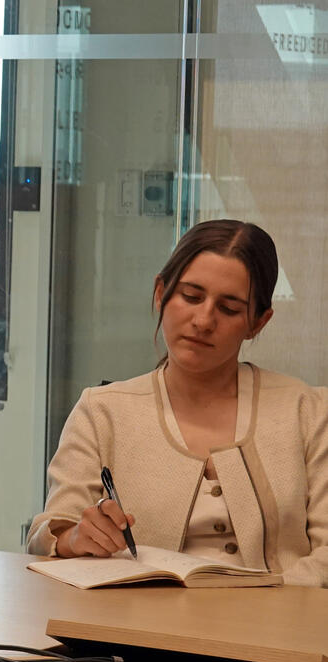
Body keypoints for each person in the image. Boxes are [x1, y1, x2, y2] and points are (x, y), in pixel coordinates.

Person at [28, 219, 328, 586]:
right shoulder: (102, 411)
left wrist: (262, 612)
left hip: (279, 631)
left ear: (258, 323)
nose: (203, 320)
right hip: (133, 633)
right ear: (160, 293)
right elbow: (49, 534)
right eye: (191, 296)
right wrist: (77, 539)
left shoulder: (309, 413)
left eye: (230, 309)